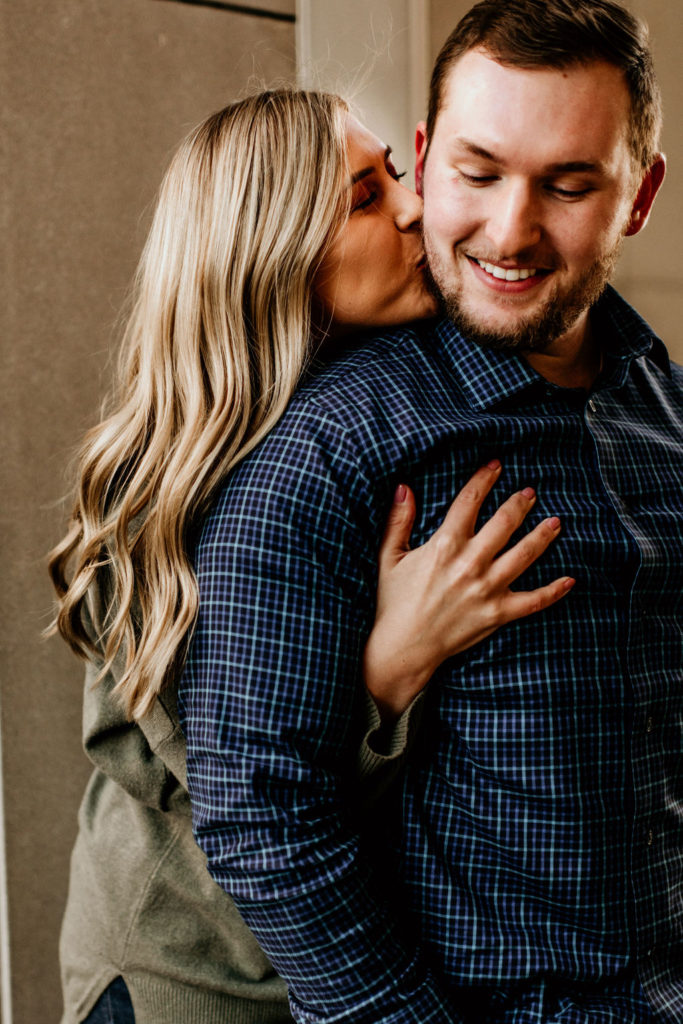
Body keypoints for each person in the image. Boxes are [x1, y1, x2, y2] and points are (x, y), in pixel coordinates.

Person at [179, 2, 682, 1023]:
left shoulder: (662, 400)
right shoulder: (324, 450)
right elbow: (256, 813)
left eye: (568, 184)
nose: (508, 230)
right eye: (478, 171)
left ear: (637, 197)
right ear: (426, 157)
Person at [50, 91, 569, 1024]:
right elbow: (244, 797)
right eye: (365, 197)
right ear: (275, 254)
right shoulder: (202, 488)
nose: (416, 208)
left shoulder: (374, 405)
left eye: (397, 177)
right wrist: (386, 671)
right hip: (187, 978)